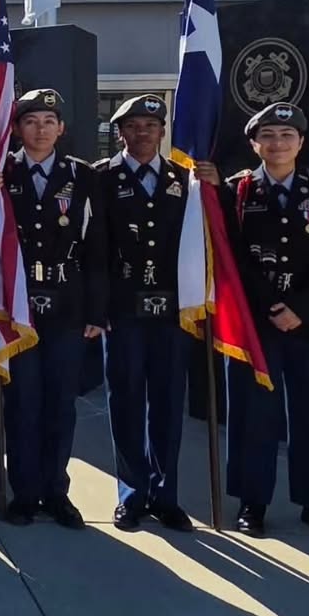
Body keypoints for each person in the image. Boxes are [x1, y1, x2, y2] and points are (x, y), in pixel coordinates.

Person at [207, 102, 309, 543]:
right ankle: (252, 503)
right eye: (268, 136)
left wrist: (301, 308)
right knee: (253, 415)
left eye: (286, 136)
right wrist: (273, 304)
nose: (277, 143)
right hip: (255, 321)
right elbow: (230, 255)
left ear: (301, 142)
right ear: (254, 143)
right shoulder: (235, 191)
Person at [0, 89, 105, 528]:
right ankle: (25, 492)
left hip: (67, 304)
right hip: (17, 305)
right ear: (17, 128)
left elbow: (97, 247)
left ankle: (56, 491)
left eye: (49, 120)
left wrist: (95, 311)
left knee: (60, 404)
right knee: (22, 402)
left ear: (62, 128)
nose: (41, 129)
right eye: (31, 121)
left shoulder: (83, 176)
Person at [94, 93, 192, 533]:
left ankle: (165, 494)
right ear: (120, 133)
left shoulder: (184, 181)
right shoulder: (101, 178)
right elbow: (93, 250)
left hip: (171, 309)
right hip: (124, 308)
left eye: (150, 126)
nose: (142, 133)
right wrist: (99, 307)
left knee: (169, 403)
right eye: (133, 126)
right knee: (127, 398)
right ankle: (132, 492)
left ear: (162, 131)